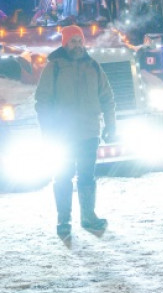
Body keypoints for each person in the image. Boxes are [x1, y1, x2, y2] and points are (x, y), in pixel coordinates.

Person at [34, 25, 116, 239]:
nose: (77, 45)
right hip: (63, 136)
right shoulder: (54, 67)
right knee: (62, 177)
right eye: (73, 41)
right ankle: (64, 220)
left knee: (87, 177)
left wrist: (111, 125)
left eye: (80, 41)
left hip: (89, 134)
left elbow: (107, 98)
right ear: (65, 43)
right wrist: (47, 129)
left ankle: (88, 216)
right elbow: (42, 101)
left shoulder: (93, 66)